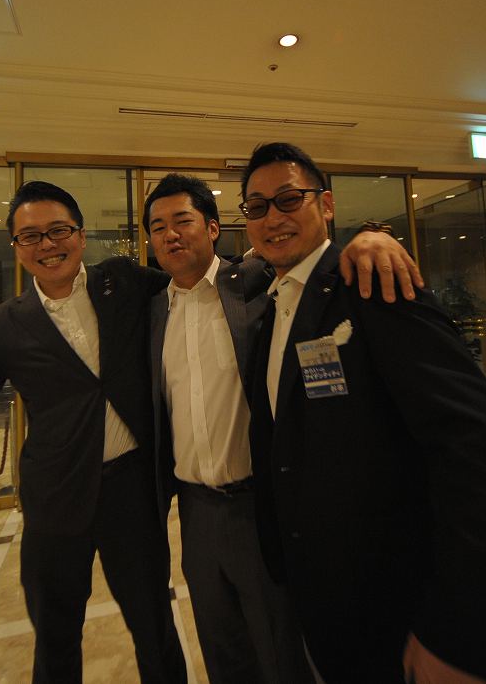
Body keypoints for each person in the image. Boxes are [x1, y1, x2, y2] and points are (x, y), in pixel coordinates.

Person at [0, 179, 420, 684]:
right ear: (16, 246)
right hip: (55, 501)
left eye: (58, 231)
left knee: (155, 631)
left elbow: (227, 269)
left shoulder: (123, 283)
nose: (47, 245)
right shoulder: (3, 323)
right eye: (30, 236)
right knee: (55, 639)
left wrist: (367, 236)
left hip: (132, 495)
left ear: (80, 234)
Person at [239, 142, 486, 684]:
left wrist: (459, 630)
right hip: (330, 600)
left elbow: (474, 451)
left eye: (288, 199)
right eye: (257, 206)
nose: (272, 217)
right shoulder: (272, 307)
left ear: (325, 205)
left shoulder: (375, 284)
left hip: (404, 609)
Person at [144, 174, 313, 684]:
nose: (170, 235)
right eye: (157, 227)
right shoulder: (151, 311)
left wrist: (371, 239)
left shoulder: (255, 285)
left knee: (280, 650)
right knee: (223, 653)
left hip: (257, 505)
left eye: (183, 221)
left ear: (213, 228)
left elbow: (307, 257)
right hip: (195, 515)